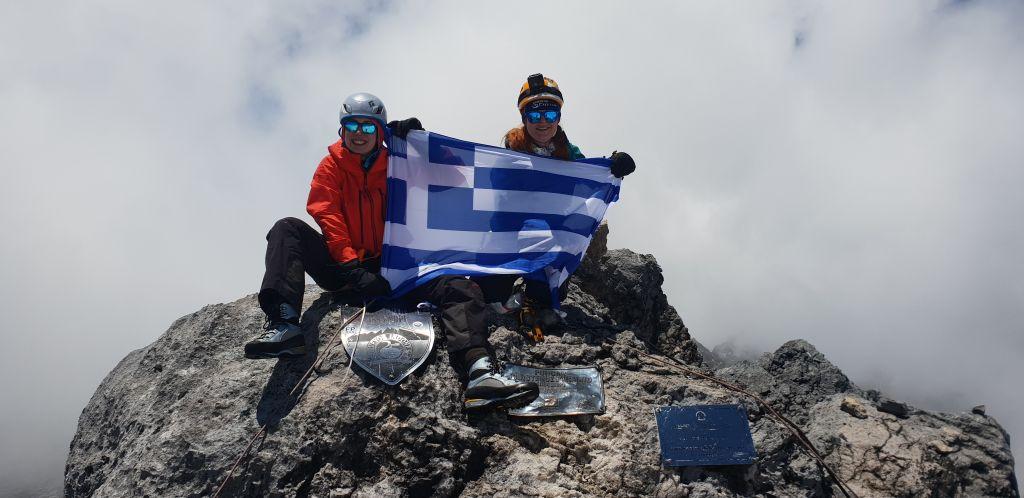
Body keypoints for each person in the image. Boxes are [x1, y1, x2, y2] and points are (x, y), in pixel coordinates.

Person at [245, 92, 539, 411]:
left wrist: (422, 144)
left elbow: (454, 177)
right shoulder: (331, 167)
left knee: (459, 287)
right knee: (288, 229)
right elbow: (326, 212)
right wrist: (351, 267)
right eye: (352, 126)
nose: (359, 134)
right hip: (347, 270)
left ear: (381, 132)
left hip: (398, 266)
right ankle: (285, 324)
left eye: (369, 128)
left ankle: (479, 371)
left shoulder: (401, 163)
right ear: (341, 130)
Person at [495, 73, 637, 334]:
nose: (542, 123)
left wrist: (613, 164)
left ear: (559, 118)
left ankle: (534, 299)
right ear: (524, 118)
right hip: (508, 234)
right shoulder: (509, 152)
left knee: (547, 299)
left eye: (549, 115)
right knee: (489, 296)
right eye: (534, 115)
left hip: (549, 237)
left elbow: (589, 175)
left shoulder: (569, 154)